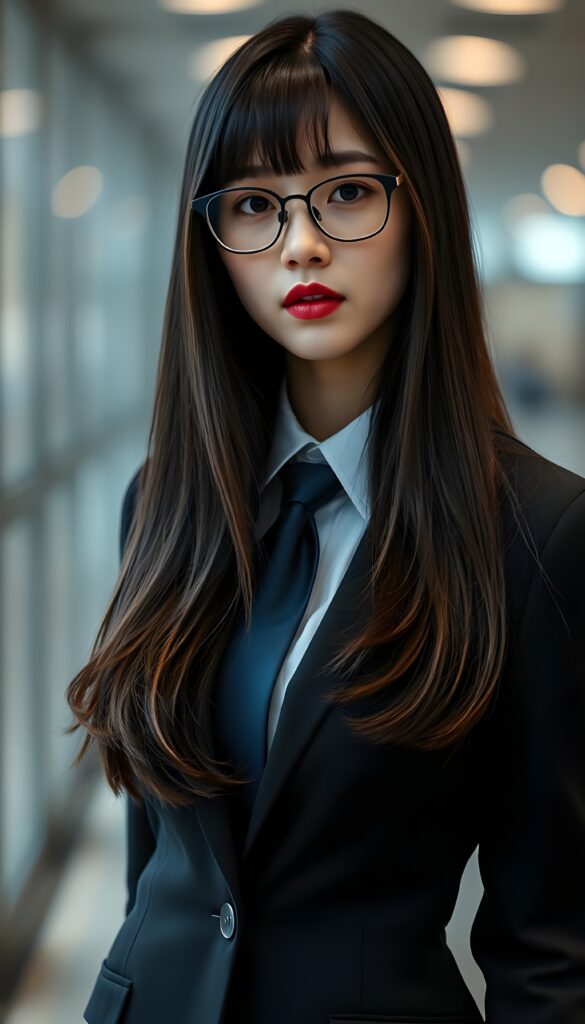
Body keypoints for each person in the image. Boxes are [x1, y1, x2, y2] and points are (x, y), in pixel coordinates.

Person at [66, 9, 585, 1024]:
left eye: (347, 192)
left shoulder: (539, 532)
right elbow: (162, 865)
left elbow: (551, 945)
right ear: (211, 239)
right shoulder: (163, 501)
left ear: (422, 202)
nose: (300, 244)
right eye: (255, 205)